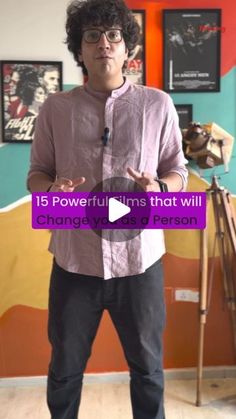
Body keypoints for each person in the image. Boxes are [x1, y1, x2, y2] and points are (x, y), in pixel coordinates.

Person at [27, 1, 188, 418]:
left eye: (114, 35)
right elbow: (36, 176)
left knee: (149, 371)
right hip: (74, 263)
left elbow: (178, 172)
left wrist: (160, 187)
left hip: (141, 263)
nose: (104, 44)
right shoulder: (55, 109)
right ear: (79, 49)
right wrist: (52, 191)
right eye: (92, 36)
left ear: (127, 47)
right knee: (64, 370)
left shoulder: (157, 105)